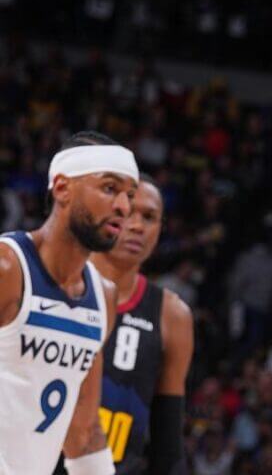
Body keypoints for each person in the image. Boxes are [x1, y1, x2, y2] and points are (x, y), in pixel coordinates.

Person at [0, 131, 138, 475]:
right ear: (62, 188)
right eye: (110, 188)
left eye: (130, 195)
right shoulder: (8, 267)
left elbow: (83, 432)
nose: (124, 207)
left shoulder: (103, 298)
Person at [89, 176, 193, 474]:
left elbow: (167, 444)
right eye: (127, 212)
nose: (137, 226)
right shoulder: (49, 287)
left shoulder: (171, 315)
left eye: (149, 217)